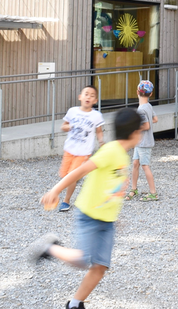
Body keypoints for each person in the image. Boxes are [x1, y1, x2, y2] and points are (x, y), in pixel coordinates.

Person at [28, 108, 143, 309]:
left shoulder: (123, 156)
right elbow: (79, 171)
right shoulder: (110, 151)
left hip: (106, 222)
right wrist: (55, 190)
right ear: (134, 133)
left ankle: (74, 304)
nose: (142, 134)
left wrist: (114, 218)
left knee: (100, 267)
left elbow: (112, 190)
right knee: (81, 259)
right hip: (89, 215)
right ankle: (49, 247)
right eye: (141, 131)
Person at [58, 86, 105, 212]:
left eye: (92, 95)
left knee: (71, 177)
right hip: (69, 149)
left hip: (83, 152)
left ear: (95, 100)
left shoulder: (96, 115)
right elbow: (63, 126)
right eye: (86, 94)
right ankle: (76, 179)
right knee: (64, 175)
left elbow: (99, 131)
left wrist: (101, 142)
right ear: (80, 97)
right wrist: (68, 127)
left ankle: (66, 201)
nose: (88, 97)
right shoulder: (72, 111)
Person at [126, 81, 158, 202]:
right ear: (151, 94)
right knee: (135, 163)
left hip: (143, 142)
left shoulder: (141, 109)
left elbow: (146, 126)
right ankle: (133, 188)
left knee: (145, 166)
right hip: (141, 142)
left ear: (137, 92)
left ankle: (153, 193)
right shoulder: (148, 106)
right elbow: (155, 119)